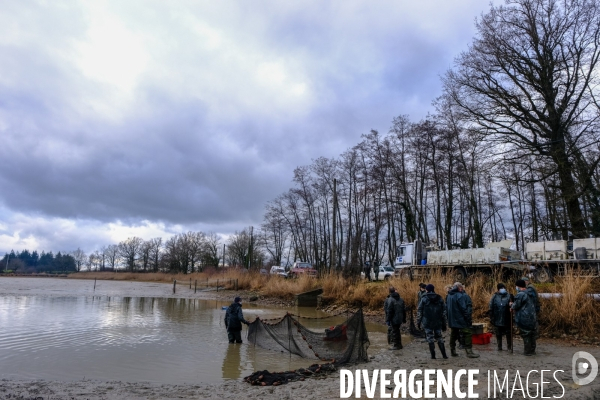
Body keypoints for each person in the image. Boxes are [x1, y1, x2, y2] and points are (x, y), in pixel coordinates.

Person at [446, 282, 479, 358]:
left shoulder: (449, 296)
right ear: (459, 288)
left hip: (452, 319)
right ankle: (469, 352)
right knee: (468, 333)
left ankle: (452, 351)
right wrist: (467, 318)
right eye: (461, 287)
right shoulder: (459, 296)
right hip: (460, 319)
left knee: (453, 334)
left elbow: (446, 308)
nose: (462, 289)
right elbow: (463, 308)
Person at [417, 284, 448, 359]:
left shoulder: (424, 298)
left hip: (427, 321)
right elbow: (444, 312)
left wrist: (418, 322)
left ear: (427, 290)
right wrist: (444, 323)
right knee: (439, 337)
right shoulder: (439, 298)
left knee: (430, 338)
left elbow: (419, 311)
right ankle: (444, 355)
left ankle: (433, 356)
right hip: (438, 321)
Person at [511, 279, 537, 356]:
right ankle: (532, 350)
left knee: (526, 334)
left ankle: (527, 351)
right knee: (532, 334)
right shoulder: (530, 293)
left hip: (524, 317)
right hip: (532, 317)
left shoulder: (521, 294)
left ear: (519, 286)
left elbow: (516, 305)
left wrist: (511, 305)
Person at [488, 283, 514, 351]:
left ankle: (509, 347)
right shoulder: (494, 296)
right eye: (501, 288)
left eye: (503, 288)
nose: (503, 289)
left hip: (507, 318)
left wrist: (511, 304)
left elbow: (513, 305)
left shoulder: (509, 296)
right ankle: (499, 347)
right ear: (498, 290)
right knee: (498, 333)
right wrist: (491, 316)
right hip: (497, 317)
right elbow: (491, 306)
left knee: (508, 333)